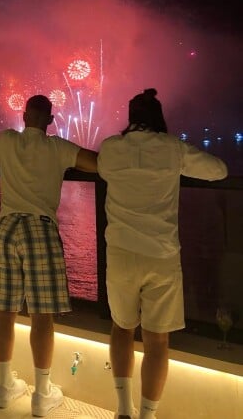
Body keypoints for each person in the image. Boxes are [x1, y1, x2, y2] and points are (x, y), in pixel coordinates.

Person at [97, 88, 227, 419]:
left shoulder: (111, 149)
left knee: (122, 328)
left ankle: (123, 410)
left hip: (121, 254)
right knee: (157, 342)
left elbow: (101, 169)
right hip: (161, 254)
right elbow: (219, 171)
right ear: (158, 117)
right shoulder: (172, 149)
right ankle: (147, 415)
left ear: (130, 117)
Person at [0, 94, 98, 417]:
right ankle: (41, 393)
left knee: (5, 311)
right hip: (39, 227)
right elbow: (98, 163)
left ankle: (4, 386)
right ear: (50, 120)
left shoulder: (7, 141)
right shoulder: (58, 148)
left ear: (23, 116)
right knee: (42, 316)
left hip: (7, 228)